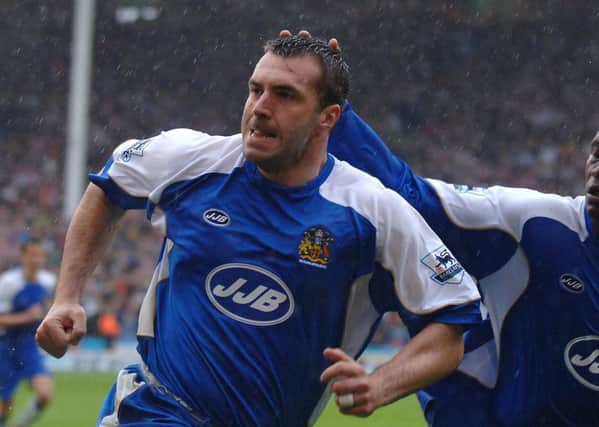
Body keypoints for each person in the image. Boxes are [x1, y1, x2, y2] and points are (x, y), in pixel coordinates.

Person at [35, 34, 481, 427]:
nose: (261, 108)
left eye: (285, 95)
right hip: (158, 408)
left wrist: (381, 384)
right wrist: (67, 296)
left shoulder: (372, 212)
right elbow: (109, 185)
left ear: (328, 118)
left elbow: (451, 323)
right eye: (256, 89)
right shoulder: (191, 162)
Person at [326, 99, 599, 425]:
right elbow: (411, 195)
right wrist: (335, 108)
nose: (596, 170)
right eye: (596, 153)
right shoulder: (536, 225)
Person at [0, 238, 56, 427]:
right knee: (5, 405)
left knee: (45, 394)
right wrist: (26, 316)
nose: (37, 260)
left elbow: (48, 309)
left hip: (30, 345)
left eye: (40, 256)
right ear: (23, 256)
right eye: (33, 255)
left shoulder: (48, 281)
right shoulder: (8, 282)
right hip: (6, 346)